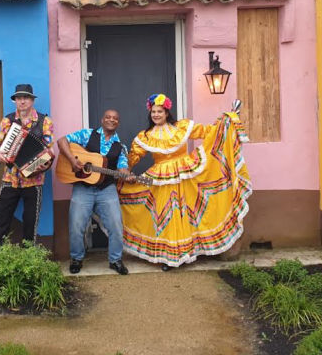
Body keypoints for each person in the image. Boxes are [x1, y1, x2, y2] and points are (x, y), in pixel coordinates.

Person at [118, 93, 252, 270]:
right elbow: (133, 157)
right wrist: (124, 169)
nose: (156, 115)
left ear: (167, 113)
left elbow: (208, 132)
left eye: (160, 111)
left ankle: (185, 253)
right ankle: (169, 257)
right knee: (166, 216)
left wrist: (225, 123)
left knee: (184, 215)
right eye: (153, 112)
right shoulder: (146, 136)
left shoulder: (181, 127)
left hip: (185, 175)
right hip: (161, 179)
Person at [57, 109, 135, 275]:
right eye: (108, 117)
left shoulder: (120, 147)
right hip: (83, 188)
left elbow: (122, 168)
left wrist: (127, 176)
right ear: (102, 119)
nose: (111, 120)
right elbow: (61, 140)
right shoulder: (87, 134)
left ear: (118, 123)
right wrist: (72, 160)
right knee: (76, 225)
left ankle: (115, 260)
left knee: (116, 225)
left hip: (106, 189)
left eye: (115, 118)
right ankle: (76, 258)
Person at [0, 84, 54, 245]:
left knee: (30, 223)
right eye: (19, 98)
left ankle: (28, 258)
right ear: (15, 101)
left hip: (34, 181)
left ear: (32, 100)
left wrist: (42, 164)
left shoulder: (44, 121)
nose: (22, 101)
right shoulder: (8, 120)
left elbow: (49, 150)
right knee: (1, 220)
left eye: (25, 98)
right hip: (10, 179)